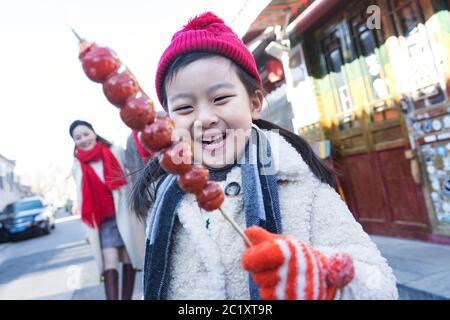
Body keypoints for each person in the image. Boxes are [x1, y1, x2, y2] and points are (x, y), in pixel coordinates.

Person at [132, 12, 398, 300]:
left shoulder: (298, 183)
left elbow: (378, 283)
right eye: (184, 108)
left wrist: (322, 276)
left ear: (255, 102)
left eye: (220, 99)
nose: (205, 118)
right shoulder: (162, 200)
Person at [70, 120, 145, 300]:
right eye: (78, 137)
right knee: (108, 264)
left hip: (124, 215)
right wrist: (86, 231)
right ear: (74, 141)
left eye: (86, 134)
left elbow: (133, 173)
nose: (83, 139)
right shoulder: (77, 165)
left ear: (94, 133)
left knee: (129, 259)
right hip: (102, 222)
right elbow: (81, 200)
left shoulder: (115, 151)